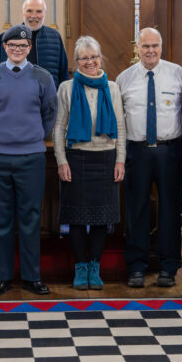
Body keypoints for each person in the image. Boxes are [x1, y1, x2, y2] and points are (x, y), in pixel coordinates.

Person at [0, 24, 58, 296]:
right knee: (0, 220)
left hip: (31, 157)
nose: (17, 50)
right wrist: (0, 134)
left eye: (23, 46)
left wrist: (34, 135)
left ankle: (31, 277)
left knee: (30, 218)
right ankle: (2, 277)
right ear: (4, 48)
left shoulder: (43, 77)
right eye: (12, 45)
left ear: (29, 49)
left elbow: (50, 112)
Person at [116, 27, 182, 288]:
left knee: (170, 209)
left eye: (154, 46)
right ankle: (137, 266)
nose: (150, 51)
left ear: (161, 47)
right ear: (137, 48)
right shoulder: (124, 78)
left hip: (169, 149)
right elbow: (119, 120)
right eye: (145, 46)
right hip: (136, 151)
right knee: (136, 210)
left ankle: (169, 266)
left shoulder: (177, 73)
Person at [53, 36, 125, 290]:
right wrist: (61, 161)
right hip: (76, 158)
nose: (90, 62)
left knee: (100, 219)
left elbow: (119, 126)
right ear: (76, 62)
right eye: (84, 58)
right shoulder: (66, 88)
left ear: (100, 58)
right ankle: (80, 267)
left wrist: (120, 160)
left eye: (94, 56)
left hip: (105, 158)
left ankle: (94, 266)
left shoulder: (112, 88)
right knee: (76, 218)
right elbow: (59, 126)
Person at [0, 0, 69, 88]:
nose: (34, 15)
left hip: (47, 98)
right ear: (23, 13)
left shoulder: (55, 37)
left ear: (45, 13)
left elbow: (63, 74)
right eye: (29, 11)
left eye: (39, 11)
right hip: (14, 97)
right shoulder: (5, 38)